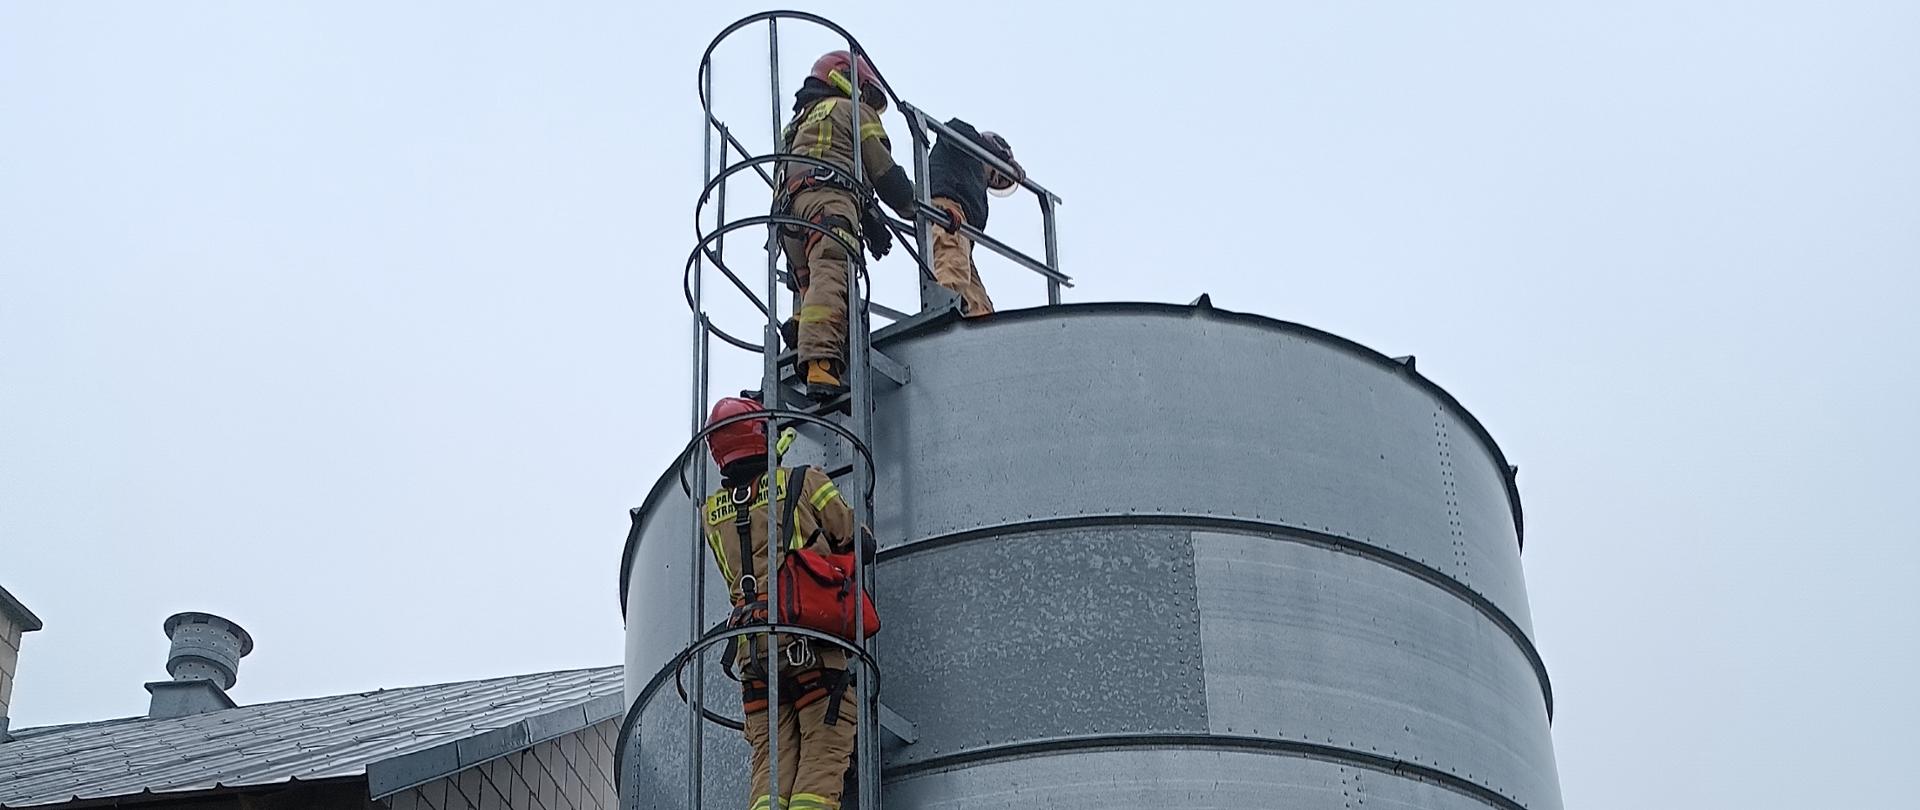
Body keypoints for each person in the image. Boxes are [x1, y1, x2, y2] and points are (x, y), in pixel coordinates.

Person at [702, 396, 860, 810]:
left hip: (751, 650)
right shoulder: (804, 480)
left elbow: (731, 578)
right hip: (805, 640)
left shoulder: (711, 514)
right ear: (762, 434)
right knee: (825, 743)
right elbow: (852, 535)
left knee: (770, 764)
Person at [778, 50, 916, 401]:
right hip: (830, 203)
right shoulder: (853, 111)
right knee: (832, 271)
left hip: (788, 217)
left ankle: (801, 324)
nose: (866, 100)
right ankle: (821, 361)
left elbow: (826, 161)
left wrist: (869, 221)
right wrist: (913, 207)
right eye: (865, 92)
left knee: (810, 278)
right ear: (845, 79)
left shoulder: (798, 124)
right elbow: (880, 168)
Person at [925, 120, 1022, 317]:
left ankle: (978, 333)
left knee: (979, 303)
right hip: (948, 213)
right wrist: (1002, 157)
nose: (995, 180)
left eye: (1000, 182)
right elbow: (951, 127)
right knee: (952, 272)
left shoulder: (976, 186)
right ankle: (944, 319)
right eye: (998, 173)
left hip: (963, 232)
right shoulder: (964, 143)